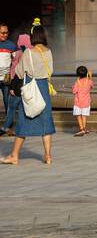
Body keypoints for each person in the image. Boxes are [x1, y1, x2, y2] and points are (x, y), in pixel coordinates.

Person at [0, 24, 55, 166]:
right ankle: (48, 156)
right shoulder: (49, 52)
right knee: (46, 123)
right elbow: (51, 71)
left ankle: (14, 156)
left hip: (32, 89)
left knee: (23, 122)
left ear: (33, 37)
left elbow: (19, 72)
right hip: (44, 89)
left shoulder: (28, 53)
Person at [0, 34, 30, 139]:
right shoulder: (30, 53)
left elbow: (18, 72)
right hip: (27, 84)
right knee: (21, 107)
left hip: (17, 83)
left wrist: (12, 87)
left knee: (11, 107)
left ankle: (5, 128)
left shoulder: (18, 53)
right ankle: (19, 128)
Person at [0, 23, 16, 120]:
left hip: (6, 79)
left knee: (8, 103)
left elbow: (16, 62)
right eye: (2, 33)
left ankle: (8, 126)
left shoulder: (12, 46)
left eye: (6, 33)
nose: (5, 35)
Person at [72, 65, 93, 136]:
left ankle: (81, 129)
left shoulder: (77, 82)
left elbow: (74, 91)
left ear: (77, 74)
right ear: (86, 73)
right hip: (86, 103)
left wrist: (77, 80)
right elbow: (92, 86)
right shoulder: (89, 81)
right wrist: (90, 77)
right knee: (84, 116)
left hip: (78, 103)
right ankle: (84, 128)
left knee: (78, 116)